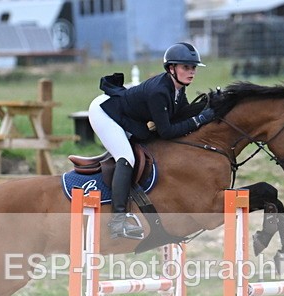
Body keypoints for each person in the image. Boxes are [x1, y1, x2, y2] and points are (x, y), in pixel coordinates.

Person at [87, 42, 216, 239]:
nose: (191, 72)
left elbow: (181, 115)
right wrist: (199, 119)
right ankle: (118, 222)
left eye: (193, 68)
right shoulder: (160, 91)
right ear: (171, 68)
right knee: (126, 158)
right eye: (186, 67)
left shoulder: (178, 88)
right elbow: (167, 131)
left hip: (124, 113)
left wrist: (211, 104)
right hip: (105, 112)